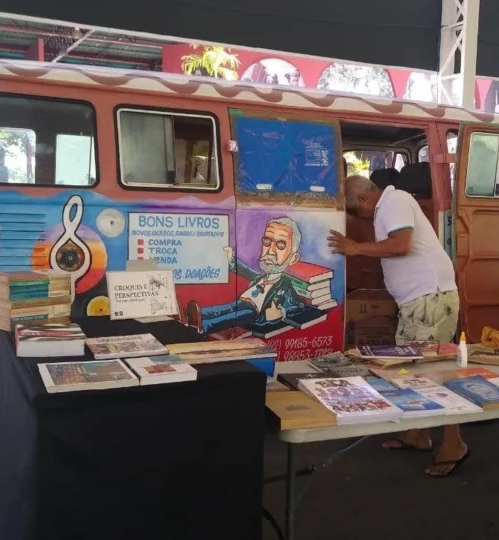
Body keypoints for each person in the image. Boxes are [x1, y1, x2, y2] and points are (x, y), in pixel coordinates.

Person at [327, 176, 469, 478]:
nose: (361, 219)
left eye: (357, 213)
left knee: (434, 372)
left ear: (363, 199)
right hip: (421, 301)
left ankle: (454, 442)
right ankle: (418, 432)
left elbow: (401, 245)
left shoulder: (394, 201)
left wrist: (356, 247)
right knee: (414, 370)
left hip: (428, 299)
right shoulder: (390, 206)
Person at [186, 217, 305, 335]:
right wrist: (231, 259)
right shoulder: (259, 277)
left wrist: (281, 312)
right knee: (225, 308)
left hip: (255, 313)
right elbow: (245, 270)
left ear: (293, 259)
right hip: (242, 302)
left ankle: (204, 326)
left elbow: (300, 305)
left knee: (235, 316)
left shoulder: (285, 285)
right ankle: (193, 315)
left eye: (280, 245)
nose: (270, 251)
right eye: (267, 241)